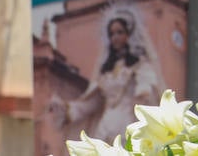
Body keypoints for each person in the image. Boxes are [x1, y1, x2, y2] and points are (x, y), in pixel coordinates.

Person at [50, 8, 162, 143]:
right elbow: (93, 102)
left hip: (128, 124)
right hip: (104, 128)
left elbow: (146, 88)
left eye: (120, 32)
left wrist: (141, 96)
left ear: (128, 34)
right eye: (112, 34)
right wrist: (67, 109)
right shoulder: (106, 72)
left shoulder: (139, 66)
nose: (115, 37)